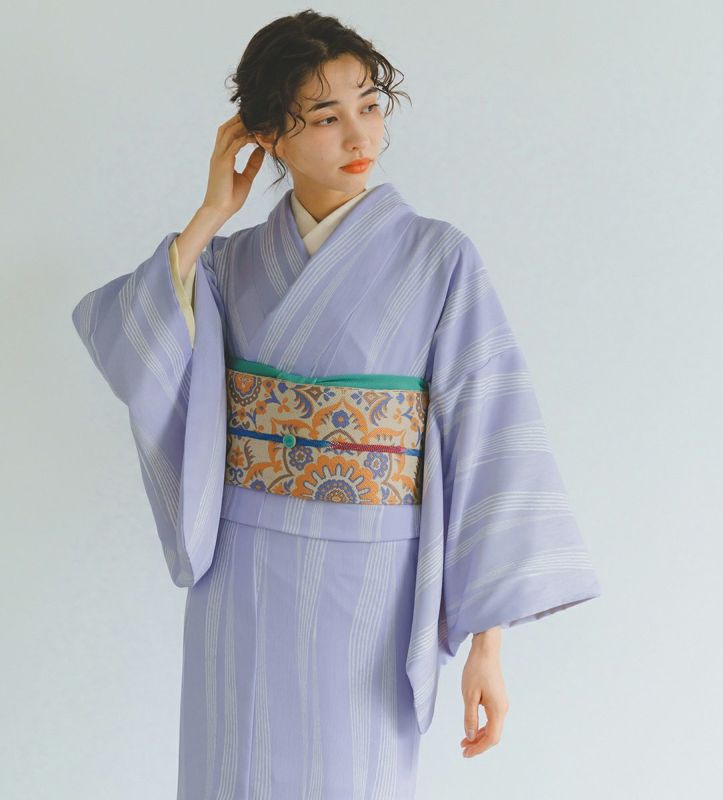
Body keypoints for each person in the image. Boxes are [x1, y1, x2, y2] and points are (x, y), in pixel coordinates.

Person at [70, 9, 601, 799]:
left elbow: (489, 433)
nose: (360, 135)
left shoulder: (439, 257)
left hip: (371, 588)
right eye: (325, 117)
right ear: (268, 138)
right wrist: (212, 212)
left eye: (370, 106)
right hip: (243, 580)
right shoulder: (230, 263)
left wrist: (487, 646)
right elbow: (133, 340)